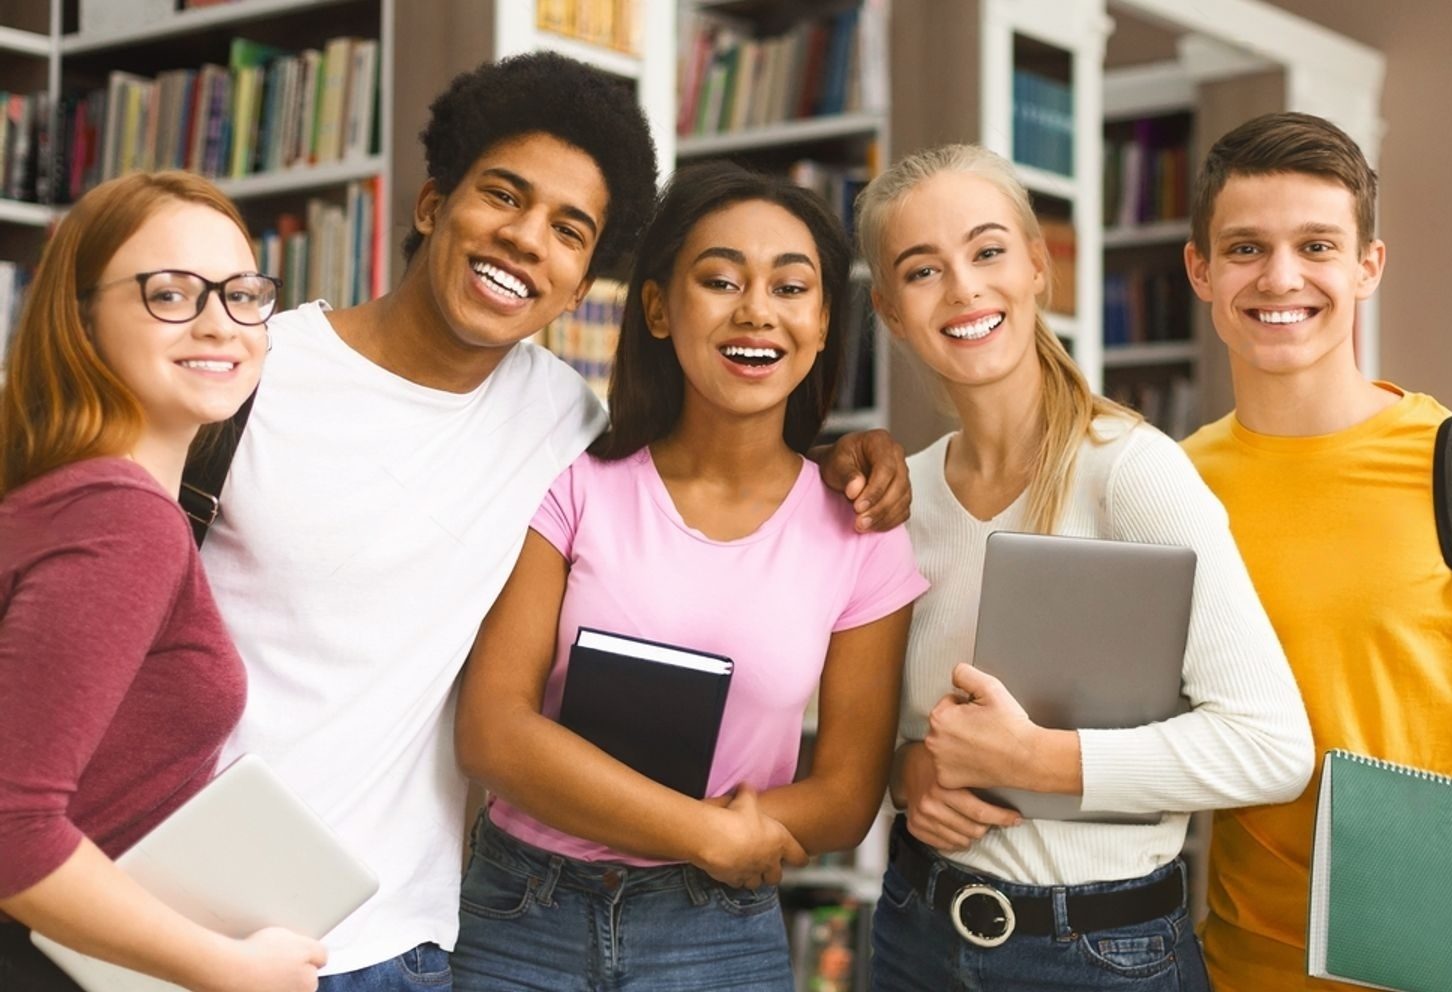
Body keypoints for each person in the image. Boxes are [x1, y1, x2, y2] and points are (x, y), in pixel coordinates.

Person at [200, 52, 912, 989]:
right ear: (429, 205)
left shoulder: (559, 422)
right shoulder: (246, 374)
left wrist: (843, 461)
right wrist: (705, 829)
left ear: (584, 286)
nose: (527, 239)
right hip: (204, 895)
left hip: (403, 936)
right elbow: (494, 730)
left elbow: (725, 466)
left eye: (569, 229)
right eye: (503, 196)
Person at [447, 160, 929, 991]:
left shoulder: (861, 527)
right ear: (661, 309)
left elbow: (848, 796)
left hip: (714, 931)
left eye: (790, 288)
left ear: (821, 326)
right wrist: (704, 833)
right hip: (525, 910)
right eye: (720, 280)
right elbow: (493, 731)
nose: (756, 312)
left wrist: (705, 846)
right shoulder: (571, 482)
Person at [853, 143, 1316, 991]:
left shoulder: (1131, 471)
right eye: (923, 271)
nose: (963, 290)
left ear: (1037, 267)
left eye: (989, 252)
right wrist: (908, 773)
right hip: (915, 934)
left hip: (1100, 956)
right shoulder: (898, 498)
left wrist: (1039, 761)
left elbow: (1271, 745)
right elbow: (872, 738)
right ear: (888, 309)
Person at [1180, 111, 1452, 992]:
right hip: (1243, 969)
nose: (1281, 277)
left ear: (1368, 266)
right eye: (1245, 248)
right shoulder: (1165, 487)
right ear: (1200, 270)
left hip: (1449, 961)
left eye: (1317, 245)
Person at [0, 172, 323, 991]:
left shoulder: (72, 493)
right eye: (171, 293)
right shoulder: (121, 516)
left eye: (244, 294)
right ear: (82, 318)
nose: (220, 324)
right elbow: (10, 827)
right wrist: (228, 968)